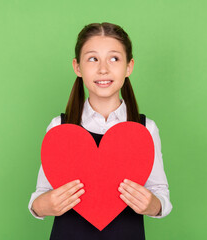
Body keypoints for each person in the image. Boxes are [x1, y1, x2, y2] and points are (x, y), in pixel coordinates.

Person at [28, 22, 172, 240]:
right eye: (93, 59)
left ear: (129, 66)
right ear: (77, 67)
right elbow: (39, 199)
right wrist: (45, 205)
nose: (103, 69)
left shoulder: (145, 129)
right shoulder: (60, 128)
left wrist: (153, 205)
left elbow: (161, 194)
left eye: (114, 58)